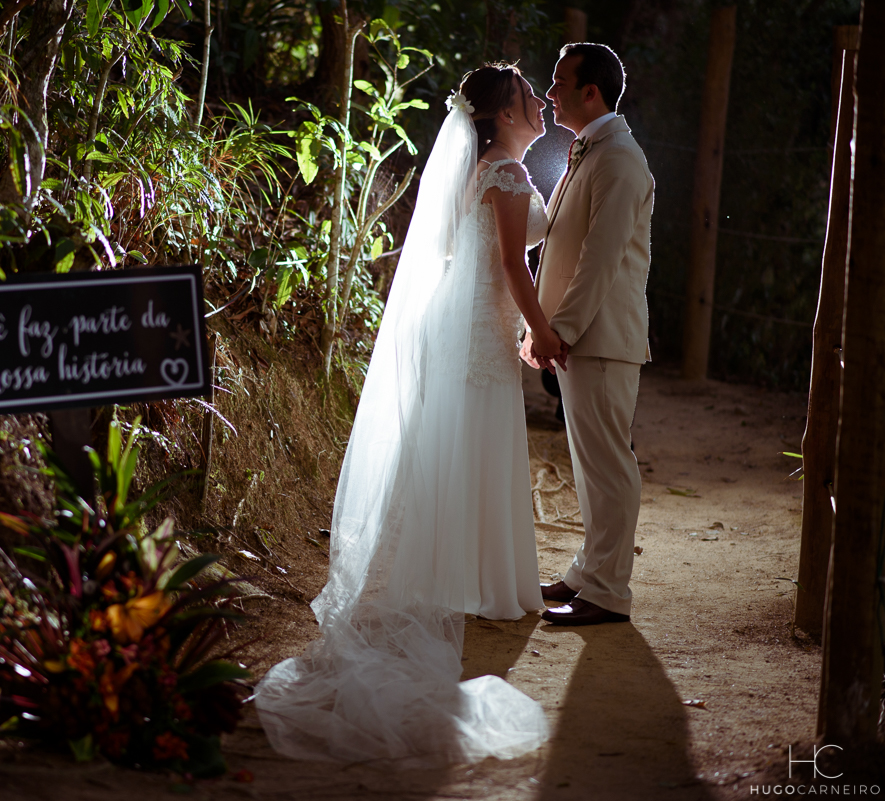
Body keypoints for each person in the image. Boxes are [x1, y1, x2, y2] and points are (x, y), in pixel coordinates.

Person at [253, 64, 562, 766]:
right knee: (477, 441)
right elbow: (513, 264)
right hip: (480, 324)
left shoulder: (480, 170)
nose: (539, 106)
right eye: (527, 99)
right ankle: (486, 580)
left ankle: (458, 575)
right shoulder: (507, 174)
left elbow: (465, 250)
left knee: (459, 443)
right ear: (501, 115)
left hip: (460, 319)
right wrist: (540, 329)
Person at [522, 43, 654, 627]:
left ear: (590, 92)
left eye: (559, 82)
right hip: (582, 337)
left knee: (608, 465)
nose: (550, 92)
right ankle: (586, 574)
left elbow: (600, 258)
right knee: (589, 465)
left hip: (601, 336)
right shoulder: (592, 151)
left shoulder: (619, 158)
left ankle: (608, 592)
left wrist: (561, 329)